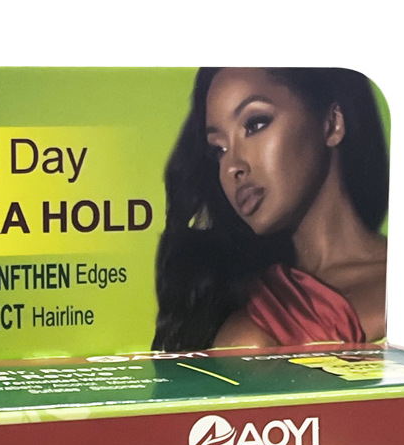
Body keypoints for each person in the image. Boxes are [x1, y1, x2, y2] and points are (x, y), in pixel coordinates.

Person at [152, 68, 389, 352]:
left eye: (255, 124)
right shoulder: (250, 319)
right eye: (219, 150)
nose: (232, 167)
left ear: (332, 123)